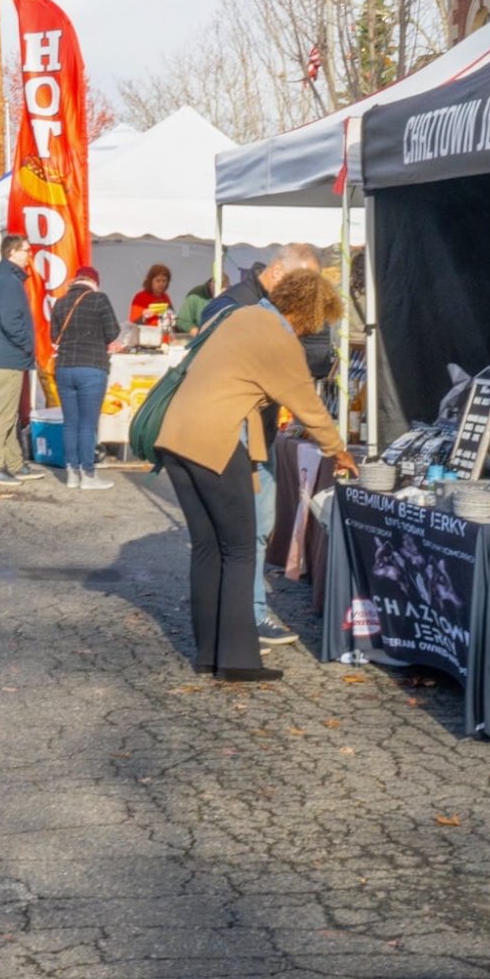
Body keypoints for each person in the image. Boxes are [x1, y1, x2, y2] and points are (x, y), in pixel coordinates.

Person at [155, 270, 354, 681]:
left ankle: (209, 653)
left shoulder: (243, 316)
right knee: (241, 549)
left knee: (208, 549)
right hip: (216, 441)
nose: (310, 330)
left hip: (175, 437)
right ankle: (238, 660)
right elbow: (307, 405)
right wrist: (339, 451)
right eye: (314, 322)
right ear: (307, 313)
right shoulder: (278, 337)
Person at [198, 243, 324, 647]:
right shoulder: (234, 305)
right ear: (278, 273)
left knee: (258, 526)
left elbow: (310, 361)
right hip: (231, 436)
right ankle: (246, 616)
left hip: (259, 435)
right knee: (243, 531)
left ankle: (236, 617)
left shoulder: (273, 309)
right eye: (304, 286)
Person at [0, 233, 43, 488]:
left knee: (10, 415)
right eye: (26, 250)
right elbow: (11, 320)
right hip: (8, 357)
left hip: (2, 355)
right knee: (4, 417)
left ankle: (15, 464)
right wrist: (27, 345)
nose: (29, 254)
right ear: (13, 252)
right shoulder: (9, 281)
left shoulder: (1, 278)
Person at [50, 266, 123, 490]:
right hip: (91, 367)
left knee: (70, 423)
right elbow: (112, 333)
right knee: (87, 424)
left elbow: (54, 336)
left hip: (64, 368)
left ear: (76, 281)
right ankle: (88, 475)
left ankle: (72, 474)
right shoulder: (99, 299)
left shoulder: (60, 302)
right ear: (94, 282)